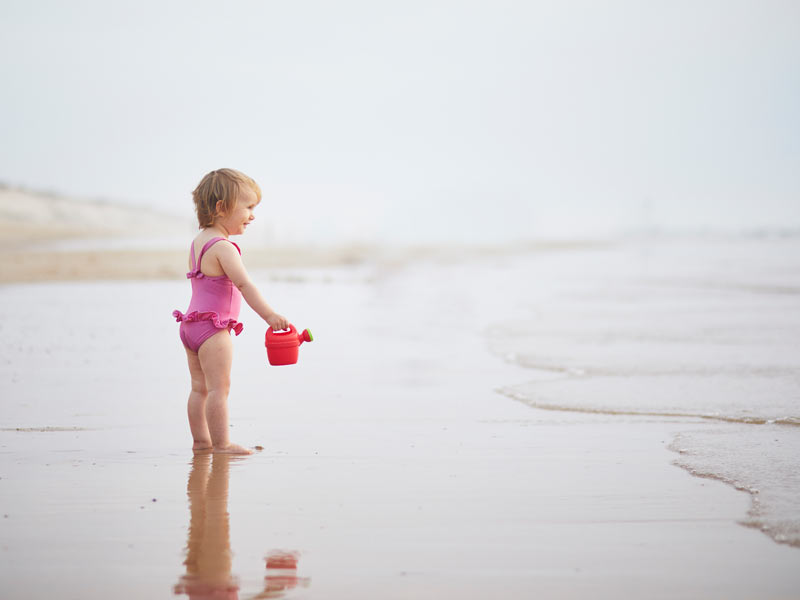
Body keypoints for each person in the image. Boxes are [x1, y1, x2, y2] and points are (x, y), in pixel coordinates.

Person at [173, 168, 288, 455]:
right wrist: (270, 316)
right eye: (248, 207)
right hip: (213, 330)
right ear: (221, 208)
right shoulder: (224, 248)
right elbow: (245, 285)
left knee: (199, 389)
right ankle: (221, 444)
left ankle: (201, 442)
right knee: (218, 390)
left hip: (190, 326)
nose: (253, 215)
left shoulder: (198, 243)